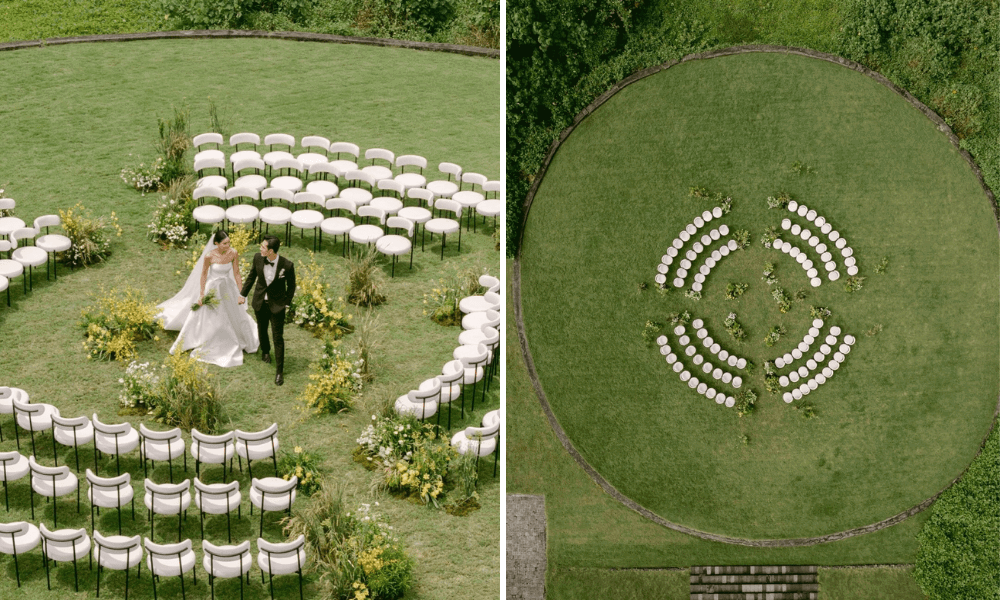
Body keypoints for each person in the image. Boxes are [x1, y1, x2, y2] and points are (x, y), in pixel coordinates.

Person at [156, 230, 260, 367]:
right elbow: (204, 275)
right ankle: (206, 339)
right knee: (212, 316)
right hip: (213, 288)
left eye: (229, 242)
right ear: (216, 243)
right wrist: (201, 294)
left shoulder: (233, 253)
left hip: (227, 288)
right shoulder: (209, 256)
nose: (227, 245)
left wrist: (241, 293)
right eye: (224, 243)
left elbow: (236, 273)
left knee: (235, 314)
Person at [240, 235, 296, 386]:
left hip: (277, 306)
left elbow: (291, 287)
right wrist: (242, 295)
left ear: (271, 251)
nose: (260, 248)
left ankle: (279, 371)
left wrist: (286, 303)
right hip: (260, 303)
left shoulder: (287, 265)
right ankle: (265, 351)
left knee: (278, 337)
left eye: (263, 247)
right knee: (262, 329)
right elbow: (251, 277)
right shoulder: (258, 258)